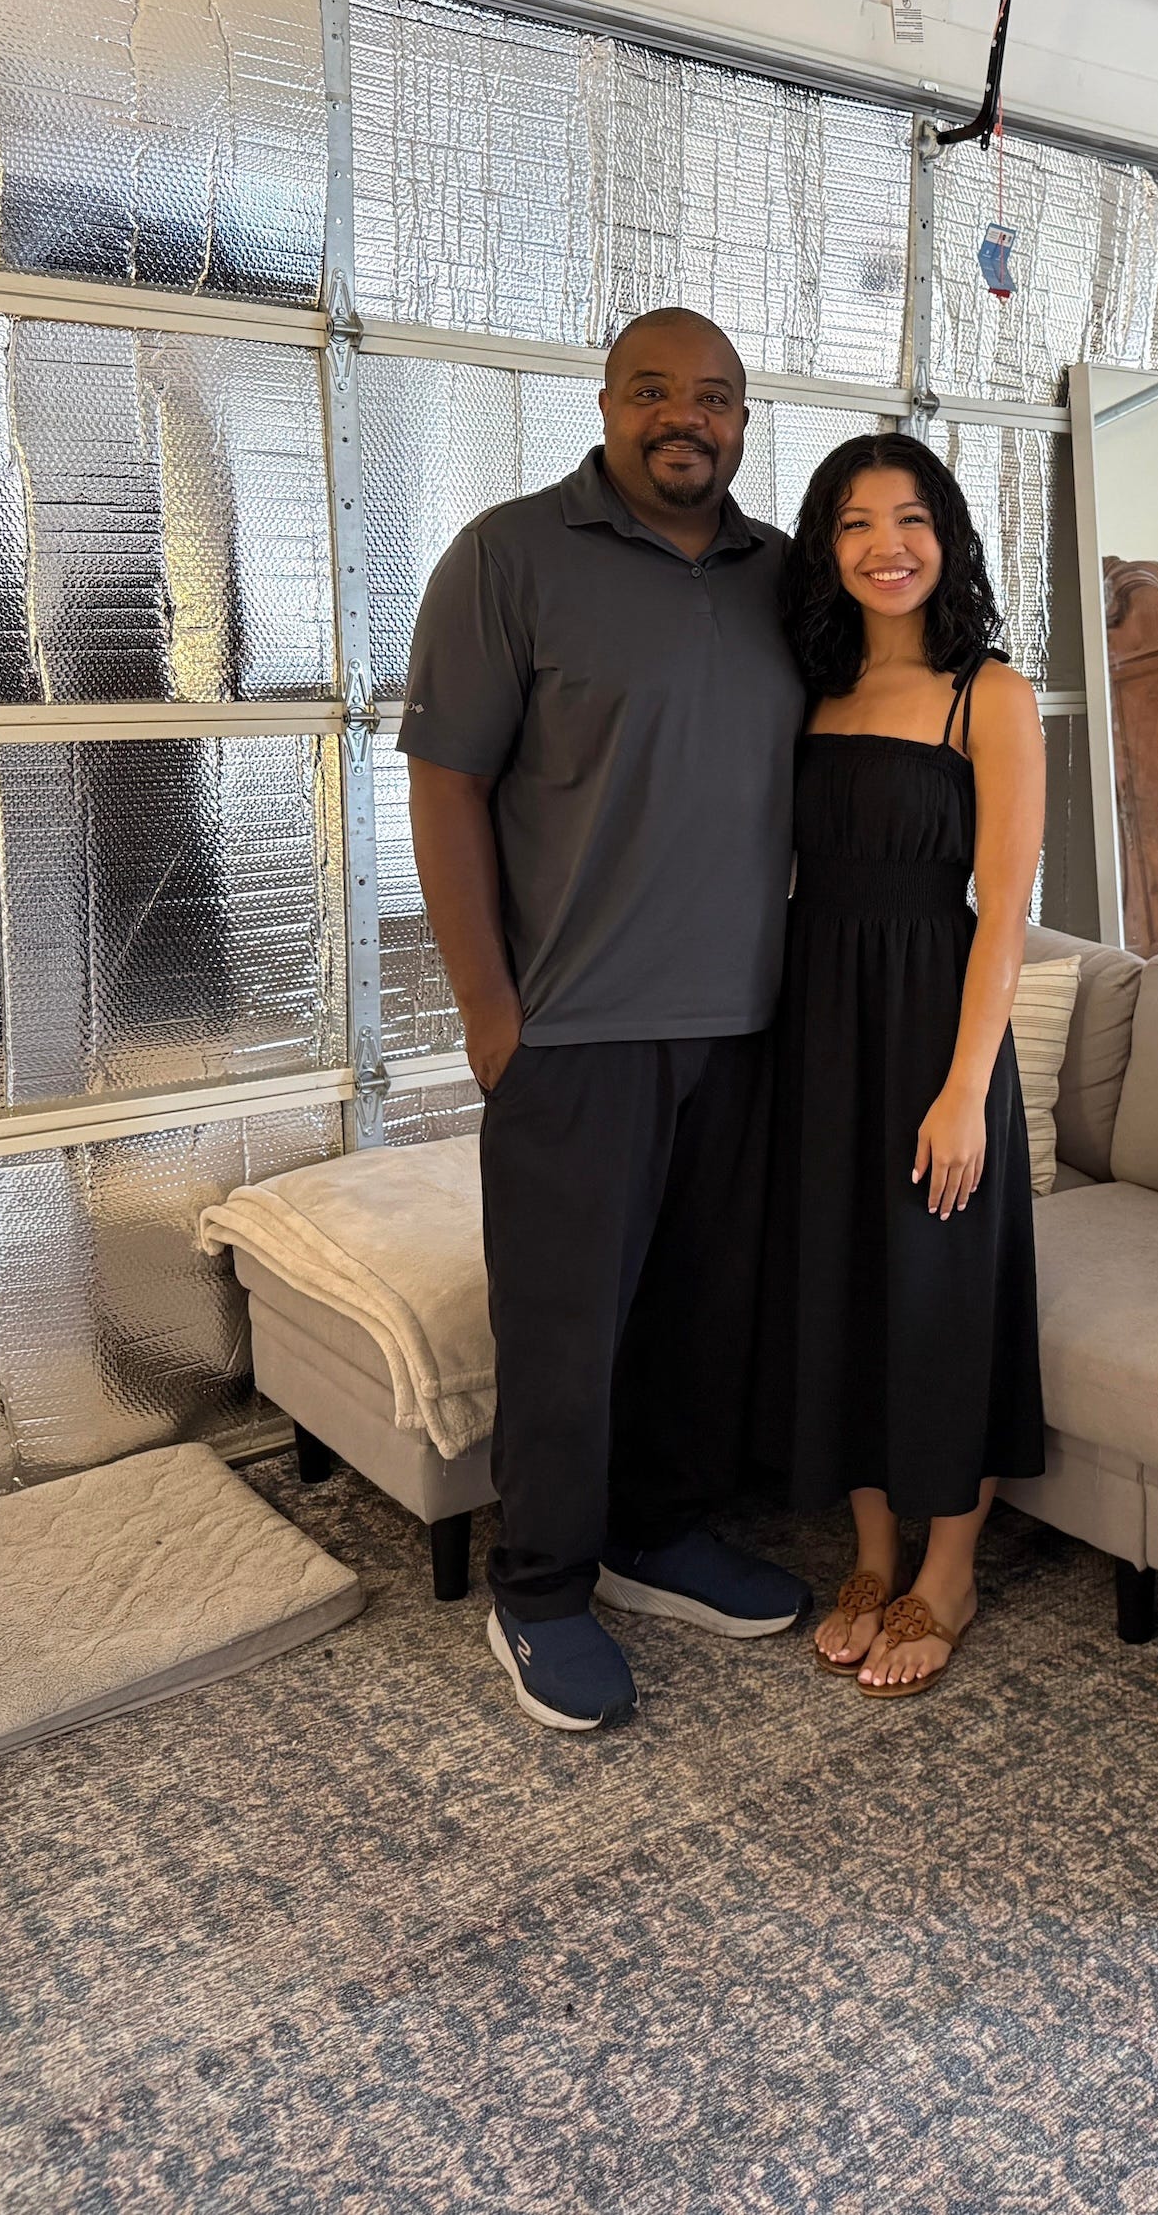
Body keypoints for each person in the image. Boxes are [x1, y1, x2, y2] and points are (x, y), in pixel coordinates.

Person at [400, 307, 812, 1735]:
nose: (685, 417)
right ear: (608, 403)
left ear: (745, 423)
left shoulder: (784, 580)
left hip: (745, 1024)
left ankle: (659, 1530)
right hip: (574, 1031)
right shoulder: (509, 557)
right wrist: (489, 1014)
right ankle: (545, 1585)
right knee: (566, 1330)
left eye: (715, 398)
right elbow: (446, 783)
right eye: (656, 391)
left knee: (704, 1312)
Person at [763, 432, 1047, 1697]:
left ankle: (949, 1569)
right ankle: (871, 1548)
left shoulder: (987, 693)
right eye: (857, 523)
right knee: (840, 1280)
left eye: (913, 518)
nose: (889, 546)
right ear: (826, 547)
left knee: (939, 1290)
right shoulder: (803, 688)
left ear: (949, 538)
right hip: (817, 1023)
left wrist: (962, 1088)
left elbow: (1005, 906)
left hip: (940, 1023)